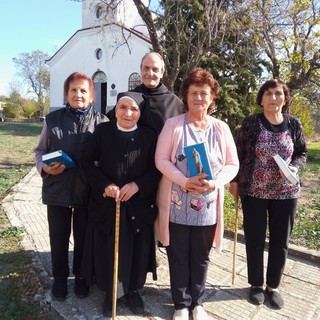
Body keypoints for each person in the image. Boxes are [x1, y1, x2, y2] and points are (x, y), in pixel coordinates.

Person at [154, 68, 239, 320]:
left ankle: (197, 303)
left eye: (204, 93)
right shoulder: (173, 125)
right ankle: (181, 304)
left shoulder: (221, 128)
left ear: (212, 97)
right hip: (177, 202)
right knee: (178, 255)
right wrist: (183, 180)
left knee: (201, 257)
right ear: (186, 96)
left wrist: (216, 183)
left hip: (208, 205)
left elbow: (232, 164)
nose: (199, 98)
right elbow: (161, 160)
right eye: (194, 93)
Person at [81, 92, 161, 317]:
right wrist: (105, 185)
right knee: (109, 249)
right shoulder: (102, 132)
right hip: (108, 204)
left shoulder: (149, 136)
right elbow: (87, 163)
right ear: (115, 109)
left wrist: (137, 185)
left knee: (136, 248)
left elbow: (156, 172)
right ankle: (111, 292)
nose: (128, 113)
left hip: (138, 205)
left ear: (140, 113)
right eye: (123, 107)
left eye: (134, 109)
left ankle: (133, 290)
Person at [229, 79, 307, 310]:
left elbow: (302, 153)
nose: (274, 98)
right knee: (254, 239)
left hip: (286, 192)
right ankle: (255, 285)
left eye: (278, 93)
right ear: (261, 99)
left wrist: (294, 166)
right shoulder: (252, 123)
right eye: (269, 94)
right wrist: (234, 181)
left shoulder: (293, 124)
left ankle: (273, 286)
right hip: (254, 191)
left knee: (280, 241)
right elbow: (238, 154)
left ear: (285, 97)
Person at [34, 72, 109, 301]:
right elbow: (39, 152)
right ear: (66, 94)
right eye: (73, 90)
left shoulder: (102, 122)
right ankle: (59, 277)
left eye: (84, 90)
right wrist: (44, 168)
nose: (78, 94)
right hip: (57, 189)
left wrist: (101, 163)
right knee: (58, 235)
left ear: (92, 96)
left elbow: (108, 155)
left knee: (84, 236)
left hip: (87, 191)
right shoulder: (52, 120)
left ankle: (82, 277)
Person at [107, 51, 184, 134]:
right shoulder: (129, 99)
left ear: (162, 73)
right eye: (146, 68)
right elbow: (108, 123)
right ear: (141, 70)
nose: (150, 73)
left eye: (155, 69)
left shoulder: (174, 103)